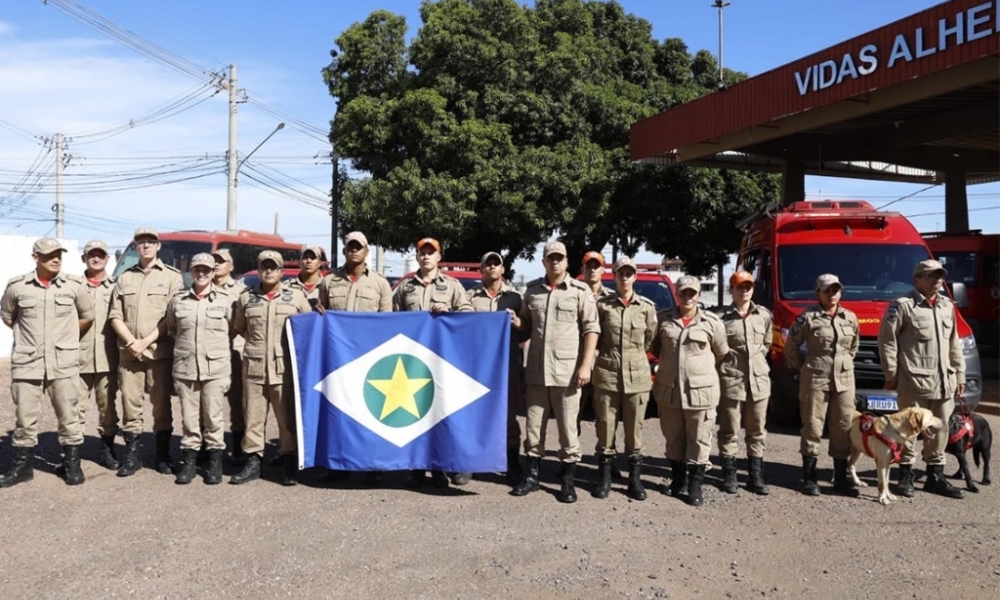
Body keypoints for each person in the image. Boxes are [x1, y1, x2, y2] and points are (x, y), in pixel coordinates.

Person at [0, 238, 95, 487]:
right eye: (49, 255)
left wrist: (66, 336)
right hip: (27, 361)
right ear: (35, 258)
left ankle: (72, 464)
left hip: (63, 362)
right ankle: (23, 467)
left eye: (58, 255)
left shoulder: (73, 286)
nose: (55, 259)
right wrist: (29, 338)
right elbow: (8, 316)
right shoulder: (18, 287)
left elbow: (88, 316)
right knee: (25, 417)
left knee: (69, 416)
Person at [512, 241, 599, 504]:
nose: (555, 262)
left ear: (567, 262)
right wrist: (518, 322)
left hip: (567, 372)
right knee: (533, 428)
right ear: (544, 262)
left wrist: (585, 366)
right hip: (537, 372)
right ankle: (532, 476)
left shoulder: (579, 291)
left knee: (567, 429)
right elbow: (527, 324)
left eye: (560, 258)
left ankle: (567, 480)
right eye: (551, 258)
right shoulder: (533, 291)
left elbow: (591, 329)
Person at [878, 259, 965, 500]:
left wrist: (959, 373)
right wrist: (891, 374)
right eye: (931, 276)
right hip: (913, 381)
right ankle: (906, 475)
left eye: (940, 276)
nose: (937, 280)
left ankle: (935, 476)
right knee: (909, 428)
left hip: (944, 381)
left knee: (941, 427)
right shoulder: (902, 306)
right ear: (917, 280)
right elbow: (887, 341)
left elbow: (953, 342)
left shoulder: (947, 305)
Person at [393, 237, 473, 488]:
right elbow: (391, 319)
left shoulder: (452, 286)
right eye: (422, 253)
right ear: (417, 257)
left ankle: (440, 466)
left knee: (440, 413)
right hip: (412, 362)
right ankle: (418, 467)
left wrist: (449, 312)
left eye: (431, 252)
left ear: (439, 257)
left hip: (442, 360)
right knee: (416, 412)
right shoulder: (405, 287)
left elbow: (469, 314)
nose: (426, 256)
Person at [316, 231, 393, 485]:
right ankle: (338, 464)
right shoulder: (328, 282)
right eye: (350, 246)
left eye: (358, 247)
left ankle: (373, 464)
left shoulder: (380, 284)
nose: (353, 251)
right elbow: (321, 316)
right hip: (338, 360)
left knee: (371, 413)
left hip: (370, 359)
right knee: (339, 413)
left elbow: (388, 325)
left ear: (366, 251)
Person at [230, 250, 311, 486]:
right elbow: (241, 328)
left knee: (286, 420)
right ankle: (253, 462)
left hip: (283, 369)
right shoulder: (247, 299)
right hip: (254, 368)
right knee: (252, 418)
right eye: (264, 267)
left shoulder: (295, 298)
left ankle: (288, 463)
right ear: (258, 269)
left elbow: (308, 327)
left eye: (273, 267)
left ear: (281, 271)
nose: (268, 271)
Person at [109, 227, 183, 477]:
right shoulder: (125, 277)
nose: (146, 246)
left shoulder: (172, 277)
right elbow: (115, 315)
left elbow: (171, 318)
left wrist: (145, 341)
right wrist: (132, 341)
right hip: (129, 354)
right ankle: (133, 456)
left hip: (158, 353)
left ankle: (163, 456)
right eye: (141, 242)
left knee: (161, 406)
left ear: (158, 246)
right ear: (135, 246)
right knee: (130, 405)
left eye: (151, 242)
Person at [650, 275, 729, 506]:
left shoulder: (711, 322)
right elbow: (656, 348)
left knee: (699, 440)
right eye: (683, 292)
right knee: (673, 439)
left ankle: (695, 486)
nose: (688, 297)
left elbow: (721, 352)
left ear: (699, 295)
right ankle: (677, 482)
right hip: (670, 391)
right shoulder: (663, 320)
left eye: (692, 293)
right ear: (677, 294)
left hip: (701, 392)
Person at [784, 274, 860, 498]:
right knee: (812, 426)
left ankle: (840, 478)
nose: (832, 294)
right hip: (816, 378)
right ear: (818, 292)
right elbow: (791, 347)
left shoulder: (850, 317)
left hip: (844, 380)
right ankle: (809, 477)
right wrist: (804, 368)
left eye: (836, 289)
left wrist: (844, 363)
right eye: (827, 290)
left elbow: (854, 345)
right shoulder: (807, 318)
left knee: (843, 426)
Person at [590, 256, 657, 501]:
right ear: (615, 276)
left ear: (635, 276)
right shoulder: (603, 306)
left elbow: (651, 339)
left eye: (629, 273)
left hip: (637, 375)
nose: (625, 277)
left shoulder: (646, 307)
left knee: (634, 429)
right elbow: (594, 335)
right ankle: (605, 477)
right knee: (605, 426)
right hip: (607, 372)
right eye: (621, 273)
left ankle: (634, 480)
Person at [166, 253, 234, 485]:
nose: (202, 274)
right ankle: (190, 462)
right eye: (197, 270)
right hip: (186, 368)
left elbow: (233, 329)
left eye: (206, 270)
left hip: (215, 368)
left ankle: (215, 462)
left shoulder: (226, 300)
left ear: (213, 272)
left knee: (214, 417)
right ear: (191, 272)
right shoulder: (179, 300)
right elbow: (173, 330)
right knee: (189, 419)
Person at [466, 251, 526, 485]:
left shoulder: (516, 297)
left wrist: (517, 322)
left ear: (503, 270)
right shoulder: (469, 297)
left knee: (508, 415)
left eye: (496, 264)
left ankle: (512, 464)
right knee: (474, 414)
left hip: (507, 366)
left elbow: (528, 329)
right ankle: (470, 463)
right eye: (487, 264)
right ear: (481, 269)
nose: (492, 267)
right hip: (477, 366)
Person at [716, 270, 772, 496]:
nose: (745, 290)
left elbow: (766, 343)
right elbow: (717, 349)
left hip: (758, 382)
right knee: (729, 430)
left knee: (757, 430)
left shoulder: (764, 316)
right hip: (732, 380)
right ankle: (729, 475)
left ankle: (754, 476)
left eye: (749, 286)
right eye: (740, 286)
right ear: (732, 290)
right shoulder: (722, 318)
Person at [77, 239, 121, 471]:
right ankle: (71, 456)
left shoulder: (116, 286)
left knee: (108, 409)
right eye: (91, 255)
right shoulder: (72, 286)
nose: (96, 258)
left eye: (101, 255)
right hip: (76, 359)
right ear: (83, 258)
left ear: (107, 259)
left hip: (108, 357)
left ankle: (107, 450)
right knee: (74, 408)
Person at [212, 248, 247, 464]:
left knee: (238, 402)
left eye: (221, 261)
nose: (217, 264)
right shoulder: (202, 287)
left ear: (231, 266)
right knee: (209, 403)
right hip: (211, 355)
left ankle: (239, 446)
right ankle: (209, 446)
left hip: (234, 352)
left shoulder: (241, 291)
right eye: (214, 260)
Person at [288, 244, 324, 310]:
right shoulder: (287, 287)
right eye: (305, 257)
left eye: (313, 258)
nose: (309, 261)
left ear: (319, 263)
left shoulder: (327, 286)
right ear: (299, 262)